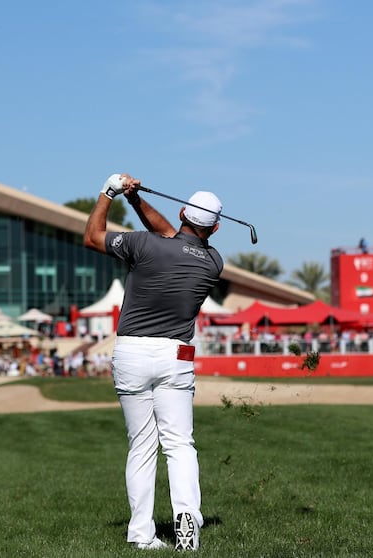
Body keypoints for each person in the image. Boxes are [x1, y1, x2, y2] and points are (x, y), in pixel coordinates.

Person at [84, 173, 224, 551]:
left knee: (142, 446)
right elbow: (178, 240)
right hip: (175, 355)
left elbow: (93, 237)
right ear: (216, 226)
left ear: (181, 211)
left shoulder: (144, 245)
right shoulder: (213, 261)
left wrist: (108, 193)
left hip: (131, 352)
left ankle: (142, 535)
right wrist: (136, 201)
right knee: (179, 444)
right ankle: (186, 526)